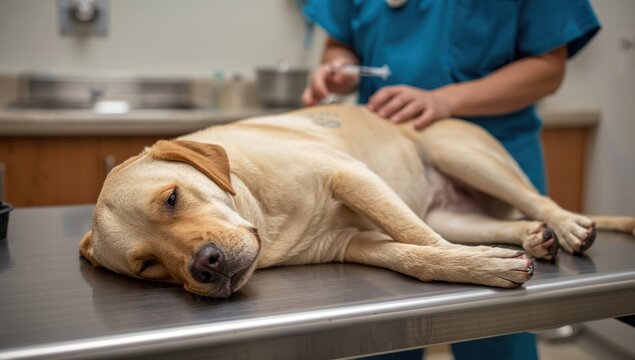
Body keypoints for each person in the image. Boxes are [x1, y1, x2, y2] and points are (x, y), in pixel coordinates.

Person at [301, 0, 600, 359]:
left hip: (492, 158)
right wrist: (342, 68)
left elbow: (548, 69)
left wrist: (447, 100)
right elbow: (340, 40)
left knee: (498, 324)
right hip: (388, 165)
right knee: (381, 326)